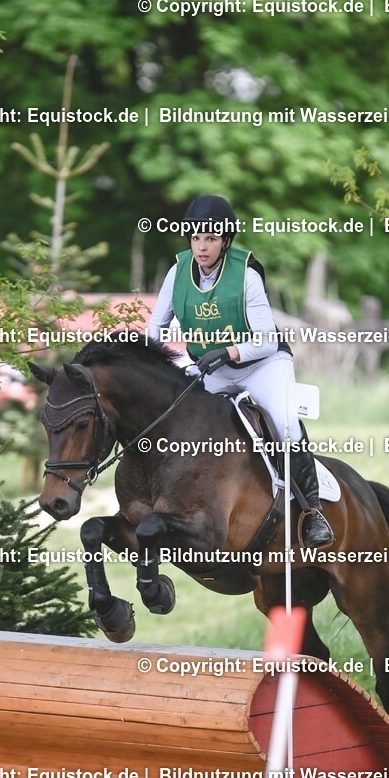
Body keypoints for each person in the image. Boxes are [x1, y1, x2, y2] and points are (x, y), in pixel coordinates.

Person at [147, 194, 334, 548]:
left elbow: (264, 340)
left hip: (261, 366)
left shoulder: (246, 275)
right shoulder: (177, 272)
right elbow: (155, 329)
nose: (202, 247)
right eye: (196, 238)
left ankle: (313, 513)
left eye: (211, 239)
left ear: (226, 241)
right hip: (211, 369)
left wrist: (227, 351)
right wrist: (153, 366)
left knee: (284, 424)